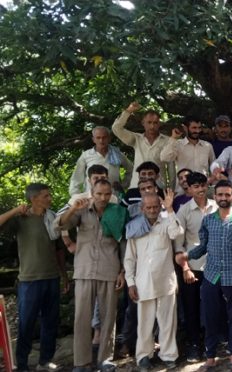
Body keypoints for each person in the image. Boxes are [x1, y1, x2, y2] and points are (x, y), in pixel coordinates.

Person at [176, 180, 232, 371]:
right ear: (216, 196)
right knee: (210, 316)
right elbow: (203, 247)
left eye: (227, 195)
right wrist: (187, 256)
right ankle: (210, 357)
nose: (223, 198)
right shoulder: (208, 220)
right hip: (211, 275)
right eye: (220, 195)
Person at [55, 179, 126, 371]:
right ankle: (81, 361)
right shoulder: (81, 210)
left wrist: (123, 271)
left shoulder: (117, 211)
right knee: (81, 317)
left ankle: (105, 359)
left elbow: (123, 243)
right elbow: (61, 225)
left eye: (106, 194)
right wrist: (72, 209)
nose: (103, 198)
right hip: (85, 270)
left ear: (111, 193)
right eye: (99, 194)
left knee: (109, 317)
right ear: (92, 193)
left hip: (109, 269)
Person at [0, 183, 68, 371]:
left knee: (50, 322)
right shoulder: (21, 219)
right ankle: (21, 364)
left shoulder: (52, 218)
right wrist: (15, 210)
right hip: (29, 280)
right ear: (34, 198)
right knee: (26, 323)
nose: (50, 198)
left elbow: (58, 250)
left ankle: (45, 361)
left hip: (51, 277)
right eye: (46, 196)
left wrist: (64, 276)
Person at [124, 191, 182, 370]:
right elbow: (129, 258)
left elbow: (176, 232)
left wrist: (170, 209)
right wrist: (130, 282)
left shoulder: (166, 223)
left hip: (166, 281)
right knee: (145, 322)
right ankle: (143, 356)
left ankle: (168, 355)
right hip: (143, 283)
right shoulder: (134, 227)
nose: (152, 210)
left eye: (155, 207)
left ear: (160, 207)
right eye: (148, 207)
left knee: (167, 321)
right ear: (142, 208)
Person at [174, 172, 218, 362]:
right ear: (189, 189)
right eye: (195, 186)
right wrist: (185, 268)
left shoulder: (217, 206)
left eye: (203, 185)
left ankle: (214, 344)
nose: (200, 189)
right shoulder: (183, 211)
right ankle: (193, 345)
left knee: (214, 306)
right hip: (193, 267)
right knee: (191, 307)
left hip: (216, 267)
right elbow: (178, 245)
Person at [112, 101, 175, 189]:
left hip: (159, 188)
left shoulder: (167, 141)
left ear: (159, 124)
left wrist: (171, 190)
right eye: (149, 122)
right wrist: (128, 111)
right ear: (143, 123)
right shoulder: (136, 139)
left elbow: (171, 168)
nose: (152, 126)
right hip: (136, 187)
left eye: (155, 123)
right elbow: (116, 128)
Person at [69, 126, 133, 195]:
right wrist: (75, 196)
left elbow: (131, 169)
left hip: (114, 196)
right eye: (98, 138)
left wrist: (123, 185)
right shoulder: (86, 155)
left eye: (104, 137)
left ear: (109, 138)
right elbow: (76, 177)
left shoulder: (117, 153)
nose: (101, 140)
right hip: (92, 197)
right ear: (93, 139)